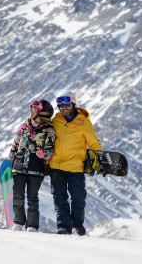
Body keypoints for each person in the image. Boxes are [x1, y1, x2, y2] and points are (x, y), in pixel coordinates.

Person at [48, 92, 102, 235]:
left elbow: (94, 144)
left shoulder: (83, 123)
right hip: (56, 167)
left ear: (73, 105)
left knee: (78, 197)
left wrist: (96, 161)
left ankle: (78, 224)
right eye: (61, 105)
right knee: (59, 199)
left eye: (67, 105)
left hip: (75, 167)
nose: (64, 108)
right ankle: (64, 227)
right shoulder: (55, 121)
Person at [9, 99, 55, 232]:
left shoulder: (49, 131)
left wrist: (44, 154)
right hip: (19, 165)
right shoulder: (24, 126)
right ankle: (18, 222)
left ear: (42, 113)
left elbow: (51, 151)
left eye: (34, 108)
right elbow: (15, 145)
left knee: (32, 197)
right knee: (17, 194)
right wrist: (9, 162)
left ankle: (32, 225)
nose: (30, 110)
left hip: (36, 168)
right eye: (31, 107)